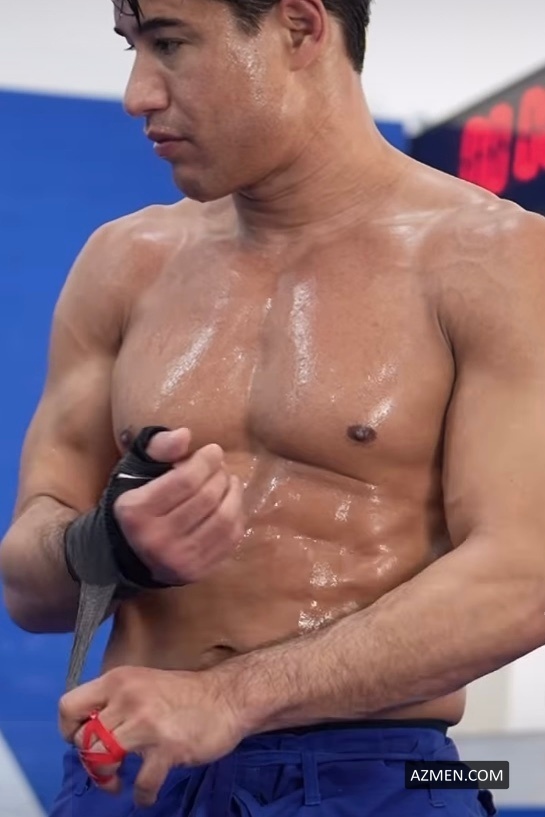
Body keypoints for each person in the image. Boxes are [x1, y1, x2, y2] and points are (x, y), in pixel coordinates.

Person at [1, 0, 545, 814]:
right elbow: (27, 589)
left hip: (381, 775)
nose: (138, 94)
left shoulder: (496, 258)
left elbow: (526, 575)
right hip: (134, 766)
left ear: (298, 27)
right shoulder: (124, 261)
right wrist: (104, 544)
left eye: (169, 43)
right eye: (131, 47)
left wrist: (229, 697)